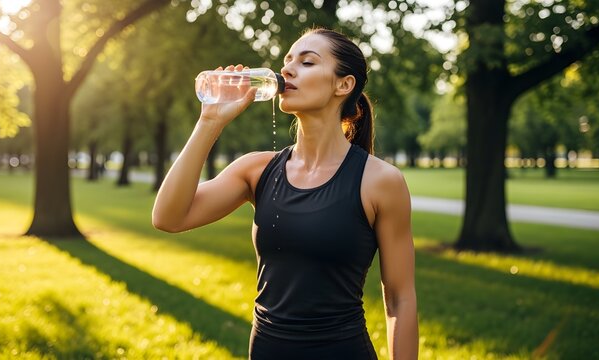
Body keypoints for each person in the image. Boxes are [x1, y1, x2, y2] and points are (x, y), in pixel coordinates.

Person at [152, 28, 417, 360]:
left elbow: (400, 298)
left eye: (306, 62)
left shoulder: (380, 181)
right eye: (287, 61)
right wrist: (210, 121)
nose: (287, 70)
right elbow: (167, 217)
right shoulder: (255, 170)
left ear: (343, 85)